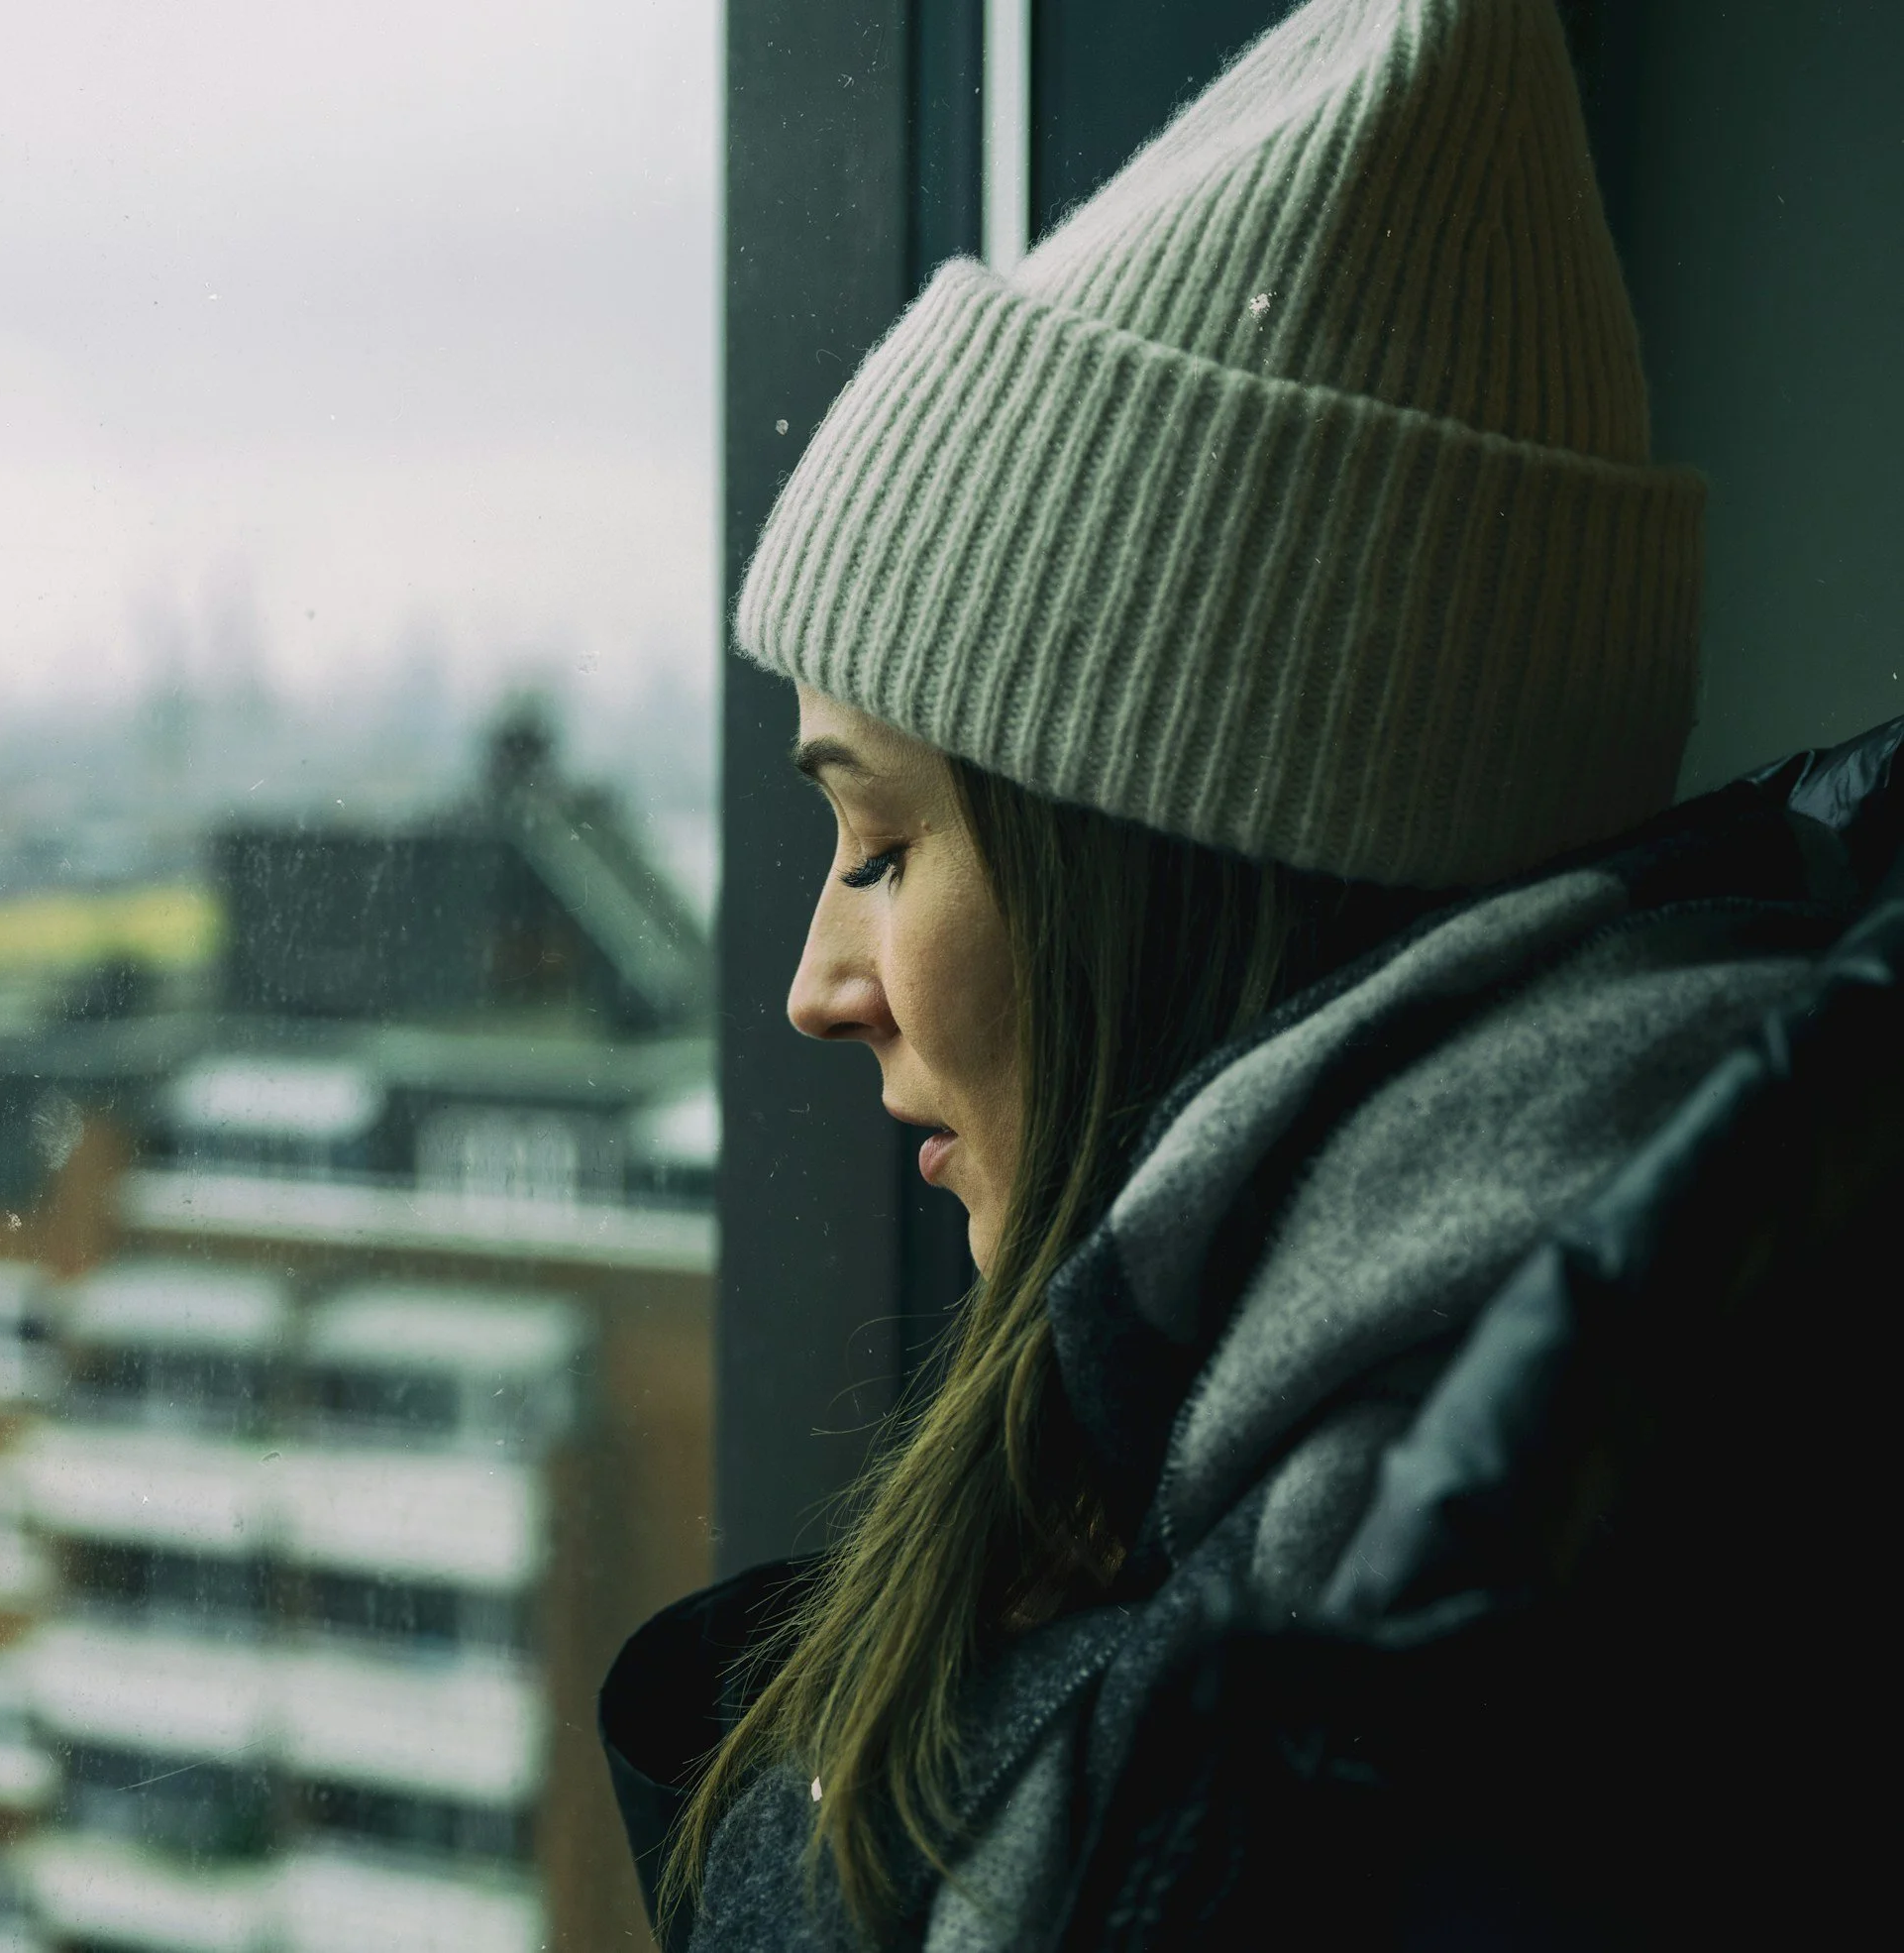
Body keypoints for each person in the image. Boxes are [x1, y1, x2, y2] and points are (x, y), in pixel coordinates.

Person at [601, 0, 1901, 1946]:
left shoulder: (1422, 1709)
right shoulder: (1552, 1431)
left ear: (1173, 869)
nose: (813, 982)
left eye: (878, 845)